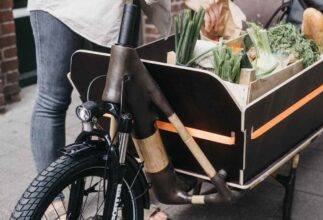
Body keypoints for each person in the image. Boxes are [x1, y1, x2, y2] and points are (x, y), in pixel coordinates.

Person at [28, 0, 223, 219]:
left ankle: (130, 198)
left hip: (108, 10)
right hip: (58, 6)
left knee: (119, 97)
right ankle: (52, 205)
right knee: (53, 99)